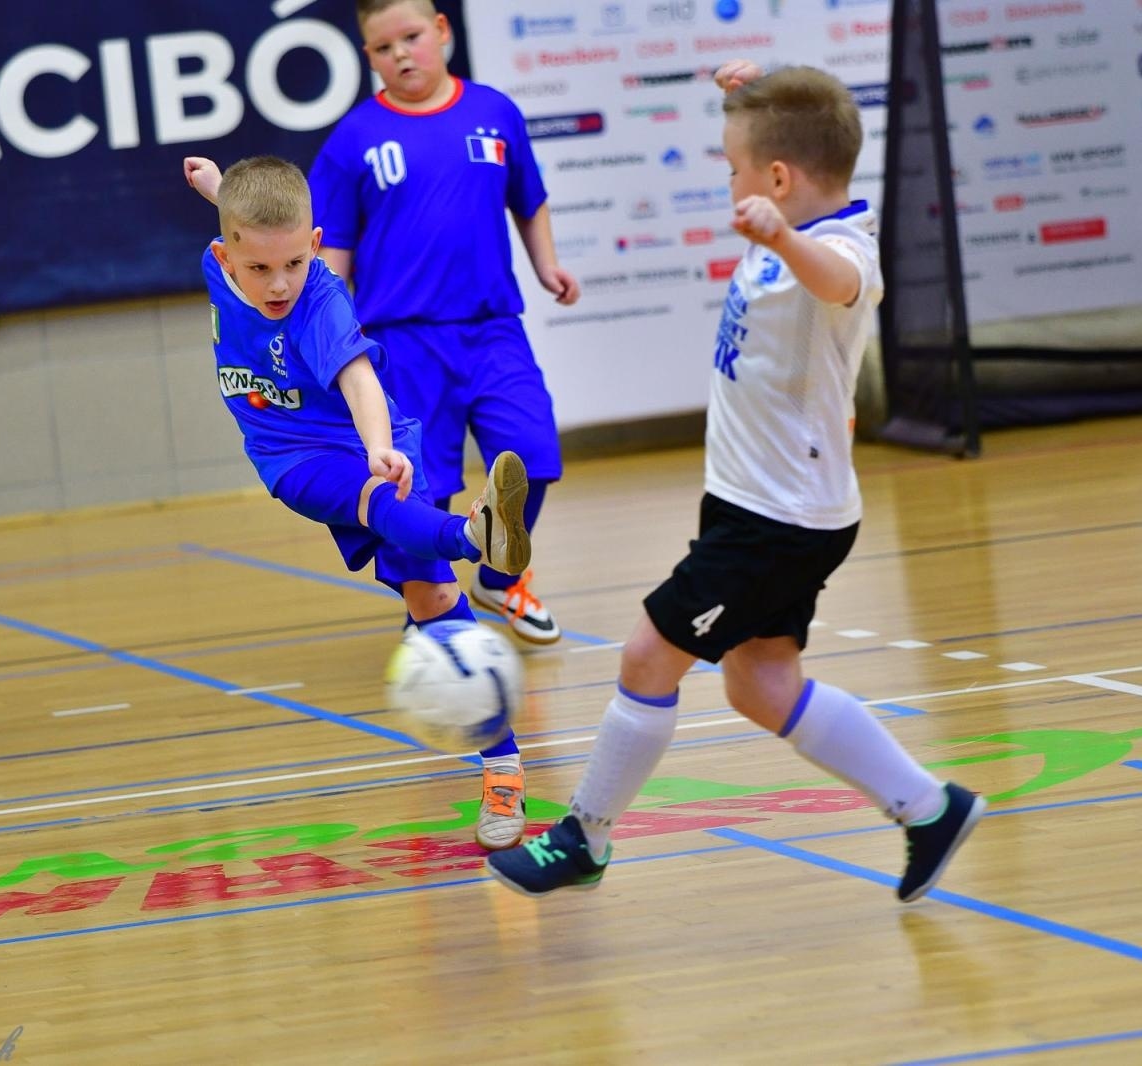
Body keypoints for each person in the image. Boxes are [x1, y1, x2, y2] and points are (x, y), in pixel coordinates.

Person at [486, 62, 984, 901]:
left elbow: (837, 281)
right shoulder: (793, 210)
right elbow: (792, 134)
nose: (731, 182)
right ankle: (928, 808)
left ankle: (585, 838)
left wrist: (783, 236)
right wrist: (751, 99)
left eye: (734, 168)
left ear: (779, 182)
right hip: (753, 507)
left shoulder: (840, 248)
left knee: (648, 654)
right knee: (762, 684)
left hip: (781, 521)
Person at [193, 0, 580, 646]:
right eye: (383, 46)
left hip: (491, 325)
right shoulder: (352, 141)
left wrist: (548, 266)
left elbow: (530, 198)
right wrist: (322, 319)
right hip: (402, 336)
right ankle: (429, 606)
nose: (401, 53)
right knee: (422, 479)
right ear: (367, 56)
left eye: (412, 37)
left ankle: (495, 573)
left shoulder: (495, 113)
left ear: (441, 32)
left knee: (535, 454)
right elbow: (306, 245)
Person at [182, 153, 535, 848]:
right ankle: (473, 536)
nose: (278, 283)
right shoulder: (223, 259)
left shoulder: (321, 298)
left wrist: (379, 444)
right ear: (226, 256)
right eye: (258, 270)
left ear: (315, 247)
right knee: (375, 507)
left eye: (293, 264)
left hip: (376, 441)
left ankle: (505, 769)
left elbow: (360, 380)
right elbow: (253, 215)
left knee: (434, 603)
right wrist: (219, 188)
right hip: (293, 458)